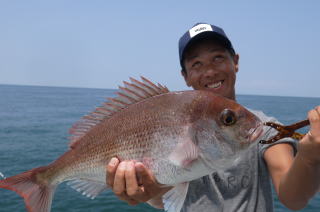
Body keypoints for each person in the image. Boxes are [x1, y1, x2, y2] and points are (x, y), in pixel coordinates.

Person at [106, 23, 320, 211]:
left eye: (218, 58)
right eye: (196, 64)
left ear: (235, 62)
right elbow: (166, 198)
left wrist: (309, 158)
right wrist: (149, 193)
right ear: (185, 76)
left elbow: (294, 198)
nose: (209, 72)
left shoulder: (262, 128)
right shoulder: (167, 117)